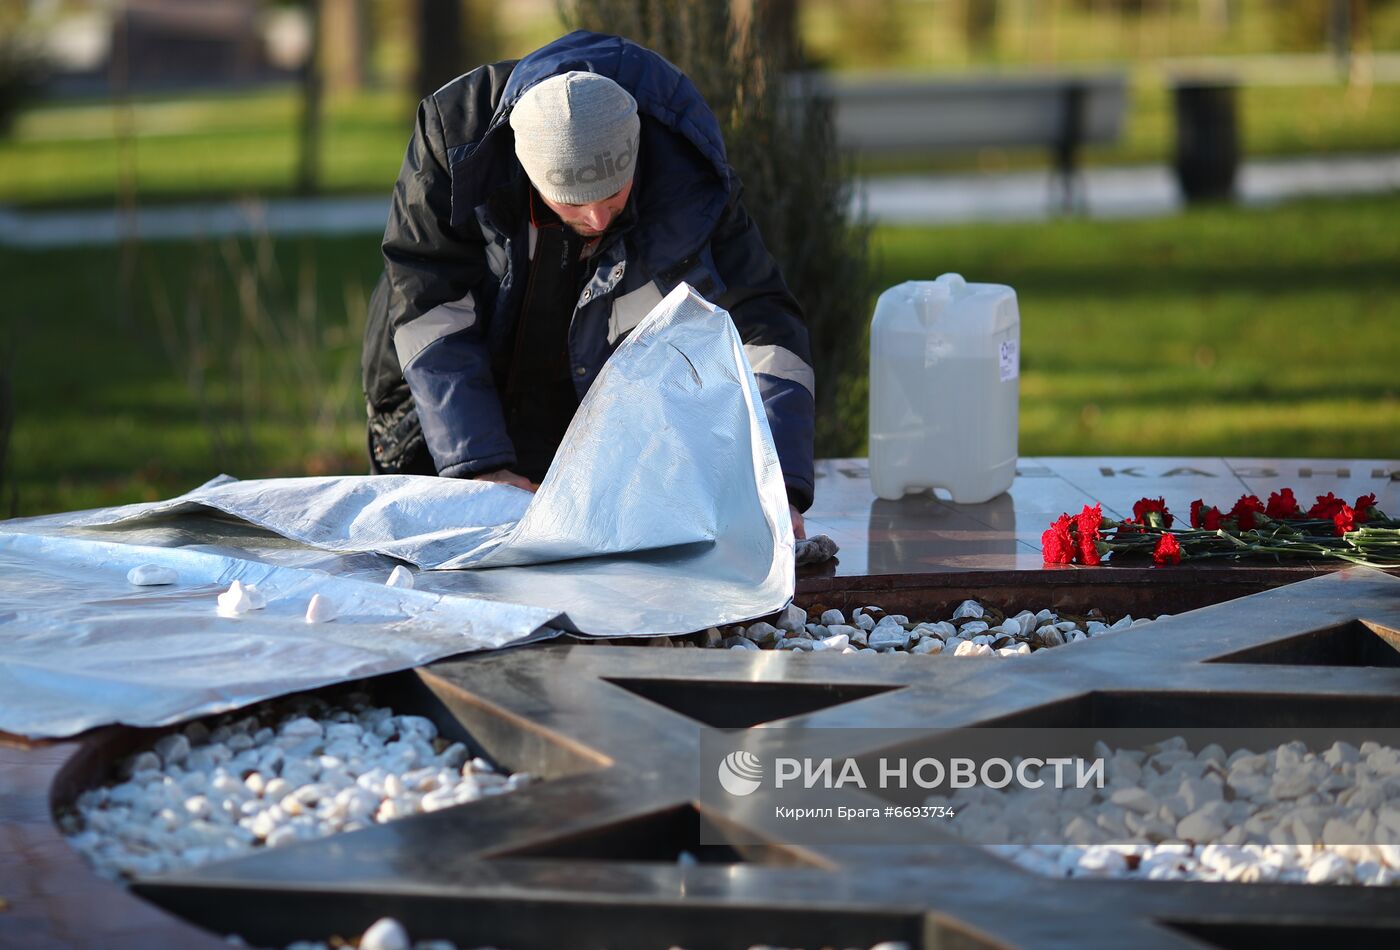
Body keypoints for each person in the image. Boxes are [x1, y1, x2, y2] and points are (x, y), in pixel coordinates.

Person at [361, 30, 815, 537]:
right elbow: (429, 306)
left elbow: (763, 325)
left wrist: (775, 483)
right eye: (573, 202)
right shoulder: (452, 145)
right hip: (441, 403)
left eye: (614, 193)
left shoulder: (689, 177)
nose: (598, 218)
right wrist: (478, 465)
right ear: (528, 173)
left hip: (583, 407)